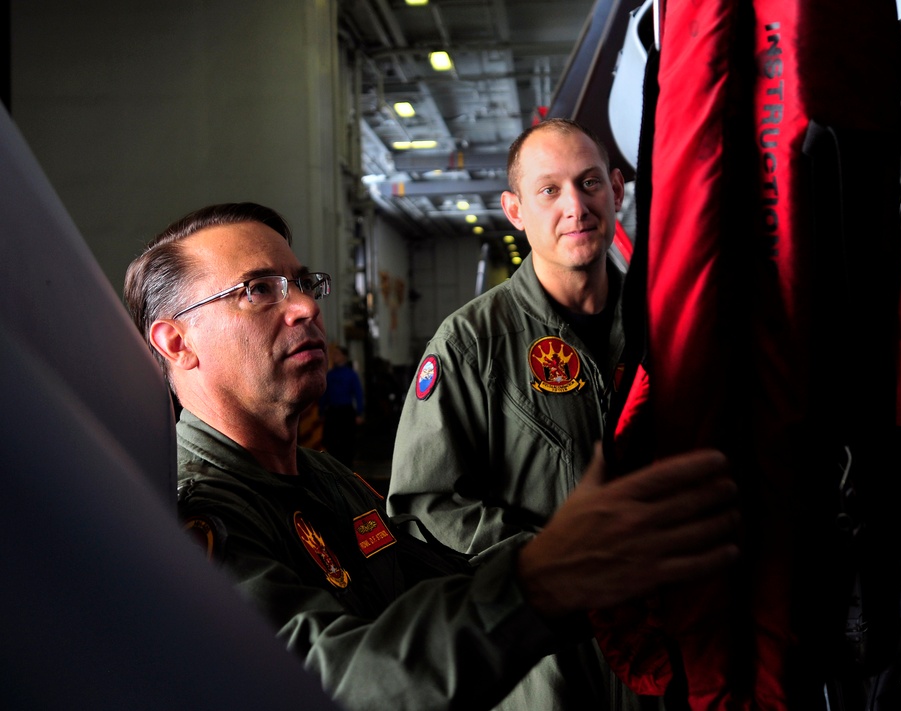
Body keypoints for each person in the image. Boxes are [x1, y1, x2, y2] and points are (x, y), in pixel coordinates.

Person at [123, 201, 741, 711]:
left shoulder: (326, 479)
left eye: (303, 284)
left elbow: (438, 579)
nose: (307, 307)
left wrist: (605, 550)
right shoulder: (197, 514)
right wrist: (546, 578)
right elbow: (324, 682)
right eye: (258, 290)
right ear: (176, 341)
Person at [387, 119, 636, 708]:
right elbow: (423, 506)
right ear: (515, 210)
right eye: (549, 190)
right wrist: (552, 561)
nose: (575, 206)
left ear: (617, 190)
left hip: (668, 653)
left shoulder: (669, 324)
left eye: (590, 182)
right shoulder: (470, 344)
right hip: (547, 670)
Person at [318, 342, 364, 467]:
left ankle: (348, 468)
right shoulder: (330, 374)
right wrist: (321, 411)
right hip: (332, 411)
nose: (334, 356)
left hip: (346, 411)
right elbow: (325, 394)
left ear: (344, 356)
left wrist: (359, 412)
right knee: (331, 441)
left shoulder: (351, 374)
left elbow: (358, 393)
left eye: (337, 354)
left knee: (347, 441)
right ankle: (335, 467)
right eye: (333, 354)